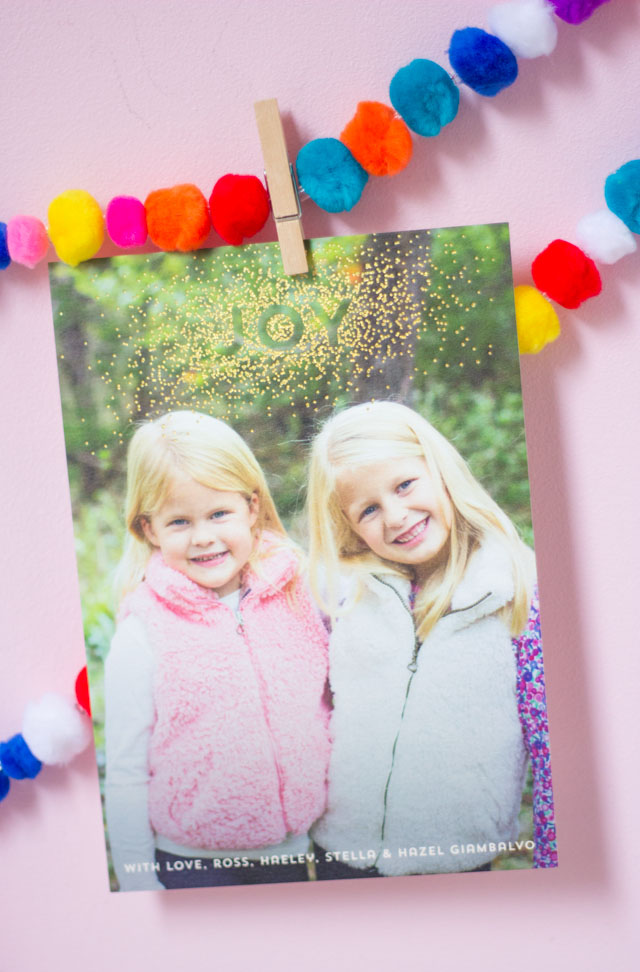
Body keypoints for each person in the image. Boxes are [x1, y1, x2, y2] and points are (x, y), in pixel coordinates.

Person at [306, 400, 556, 879]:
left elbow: (550, 745)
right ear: (348, 524)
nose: (396, 516)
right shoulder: (340, 595)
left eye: (404, 485)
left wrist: (556, 863)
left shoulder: (517, 589)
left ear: (439, 470)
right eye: (369, 509)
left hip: (453, 858)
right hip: (344, 850)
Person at [105, 411, 330, 891]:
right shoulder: (144, 630)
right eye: (180, 521)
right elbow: (125, 769)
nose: (203, 536)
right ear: (149, 529)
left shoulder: (301, 595)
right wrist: (138, 882)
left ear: (251, 507)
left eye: (219, 514)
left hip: (291, 857)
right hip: (191, 867)